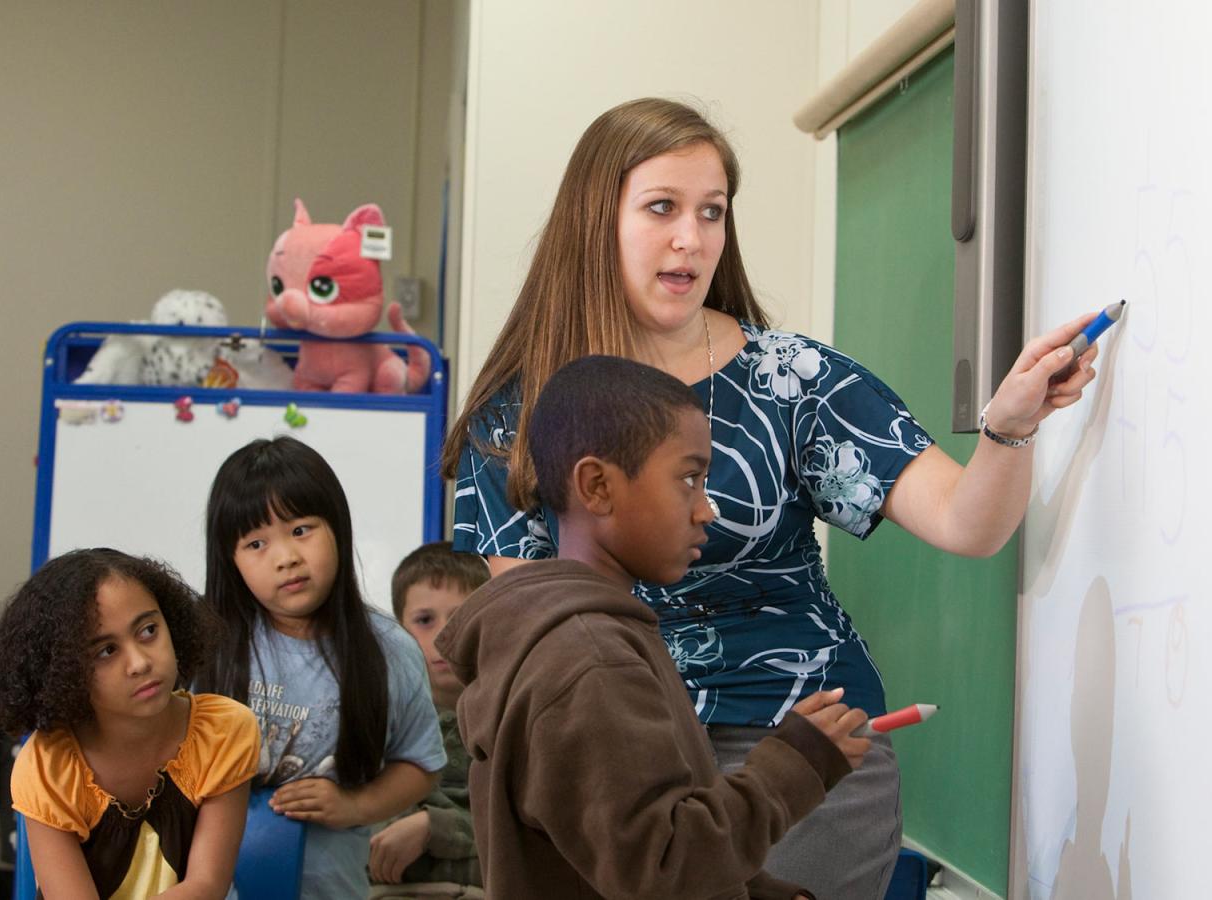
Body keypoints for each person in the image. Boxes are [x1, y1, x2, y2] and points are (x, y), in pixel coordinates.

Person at [442, 97, 1100, 898]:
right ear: (595, 220)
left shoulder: (791, 377)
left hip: (799, 744)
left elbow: (969, 523)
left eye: (712, 212)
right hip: (614, 754)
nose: (693, 237)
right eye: (662, 208)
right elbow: (526, 634)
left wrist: (1008, 429)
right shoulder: (516, 411)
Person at [438, 354, 870, 899]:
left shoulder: (593, 638)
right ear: (596, 486)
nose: (706, 509)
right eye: (688, 479)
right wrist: (797, 764)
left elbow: (620, 852)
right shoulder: (590, 660)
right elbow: (661, 865)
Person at [196, 436, 447, 899]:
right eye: (256, 543)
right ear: (230, 561)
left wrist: (355, 805)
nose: (286, 557)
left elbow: (421, 763)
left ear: (338, 528)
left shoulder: (390, 649)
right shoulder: (205, 648)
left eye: (300, 530)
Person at [0, 548, 257, 898]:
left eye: (148, 630)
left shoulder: (223, 732)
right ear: (65, 672)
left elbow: (207, 884)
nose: (139, 662)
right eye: (106, 651)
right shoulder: (48, 767)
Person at [367, 542, 488, 897]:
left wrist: (437, 828)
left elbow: (530, 839)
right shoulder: (376, 724)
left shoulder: (512, 724)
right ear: (399, 630)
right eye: (424, 620)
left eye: (460, 617)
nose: (443, 635)